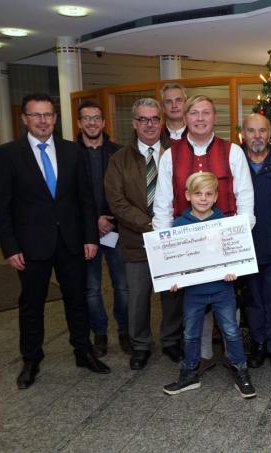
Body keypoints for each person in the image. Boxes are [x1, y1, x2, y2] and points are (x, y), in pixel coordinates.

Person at [0, 93, 110, 389]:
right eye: (36, 115)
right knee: (31, 304)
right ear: (25, 119)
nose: (42, 120)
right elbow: (2, 206)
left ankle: (83, 351)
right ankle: (31, 359)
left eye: (47, 114)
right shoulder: (8, 154)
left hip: (71, 241)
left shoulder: (72, 151)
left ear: (56, 118)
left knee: (77, 300)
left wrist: (90, 237)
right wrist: (10, 247)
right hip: (30, 245)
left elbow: (85, 200)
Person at [153, 94, 255, 367]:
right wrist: (166, 256)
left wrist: (239, 247)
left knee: (227, 303)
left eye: (206, 113)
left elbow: (245, 198)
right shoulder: (169, 156)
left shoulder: (233, 151)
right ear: (185, 118)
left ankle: (234, 358)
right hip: (187, 244)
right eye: (194, 113)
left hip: (225, 242)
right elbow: (162, 204)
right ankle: (199, 358)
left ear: (215, 118)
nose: (200, 118)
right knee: (194, 305)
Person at [104, 98, 183, 371]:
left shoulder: (176, 153)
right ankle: (140, 345)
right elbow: (117, 202)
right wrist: (151, 225)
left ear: (162, 122)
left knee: (172, 294)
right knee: (137, 297)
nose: (149, 124)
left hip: (171, 239)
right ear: (134, 124)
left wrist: (169, 225)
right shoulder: (118, 159)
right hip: (136, 240)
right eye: (143, 119)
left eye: (154, 119)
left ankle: (171, 341)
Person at [162, 172, 257, 399]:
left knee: (231, 332)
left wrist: (234, 270)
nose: (203, 199)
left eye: (208, 194)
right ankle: (189, 373)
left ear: (215, 197)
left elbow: (233, 254)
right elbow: (175, 260)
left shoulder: (226, 224)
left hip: (222, 290)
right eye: (197, 194)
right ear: (187, 195)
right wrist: (172, 279)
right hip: (193, 293)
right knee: (190, 334)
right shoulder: (179, 225)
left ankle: (240, 370)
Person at [76, 100, 130, 357]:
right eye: (87, 118)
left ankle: (125, 331)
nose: (92, 122)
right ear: (79, 123)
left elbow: (127, 191)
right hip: (85, 232)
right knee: (91, 288)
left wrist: (109, 219)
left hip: (115, 229)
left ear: (104, 122)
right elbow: (68, 196)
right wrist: (94, 220)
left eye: (96, 117)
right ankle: (99, 333)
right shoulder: (70, 153)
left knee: (123, 286)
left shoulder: (118, 153)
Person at [241, 113, 271, 372]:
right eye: (251, 131)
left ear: (269, 134)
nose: (257, 136)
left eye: (262, 130)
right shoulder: (236, 161)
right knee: (254, 301)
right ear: (243, 135)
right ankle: (258, 344)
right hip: (245, 246)